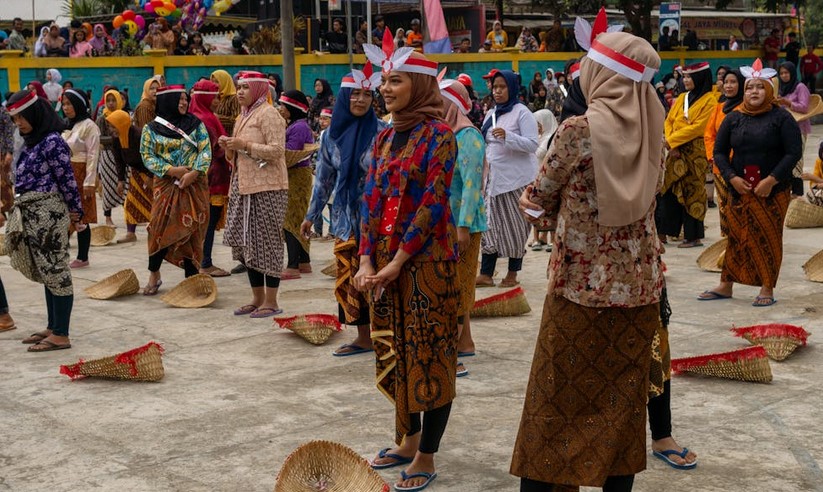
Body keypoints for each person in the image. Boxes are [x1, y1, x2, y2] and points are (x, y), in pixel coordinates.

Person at [511, 31, 665, 492]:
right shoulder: (655, 131)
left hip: (579, 290)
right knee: (621, 409)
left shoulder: (578, 130)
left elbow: (537, 200)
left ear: (601, 74)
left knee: (554, 405)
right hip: (640, 292)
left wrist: (544, 208)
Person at [355, 47, 458, 492]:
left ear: (419, 86)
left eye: (395, 80)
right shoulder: (382, 139)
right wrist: (366, 259)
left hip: (427, 264)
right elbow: (369, 201)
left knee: (430, 358)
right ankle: (408, 438)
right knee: (396, 353)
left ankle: (426, 454)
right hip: (383, 265)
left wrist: (399, 261)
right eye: (384, 81)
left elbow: (433, 202)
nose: (385, 88)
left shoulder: (441, 136)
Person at [699, 59, 802, 307]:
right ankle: (726, 284)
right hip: (739, 189)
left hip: (772, 191)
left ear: (769, 90)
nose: (753, 92)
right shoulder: (734, 118)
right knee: (736, 236)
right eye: (749, 88)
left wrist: (771, 180)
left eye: (759, 87)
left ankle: (767, 287)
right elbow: (720, 152)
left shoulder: (781, 118)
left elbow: (793, 152)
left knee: (768, 237)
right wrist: (732, 178)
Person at [301, 69, 387, 356]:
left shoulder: (383, 133)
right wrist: (311, 215)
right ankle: (363, 337)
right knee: (351, 277)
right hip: (344, 219)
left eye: (367, 94)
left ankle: (386, 335)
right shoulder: (330, 136)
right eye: (355, 94)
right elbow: (324, 179)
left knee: (379, 276)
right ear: (343, 97)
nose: (361, 100)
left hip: (377, 219)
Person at [7, 89, 83, 352]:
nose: (18, 123)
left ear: (34, 114)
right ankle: (53, 326)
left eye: (21, 117)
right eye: (15, 119)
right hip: (32, 214)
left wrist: (76, 211)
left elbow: (67, 179)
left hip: (49, 215)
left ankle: (61, 333)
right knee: (46, 270)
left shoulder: (52, 142)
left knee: (55, 269)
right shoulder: (33, 141)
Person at [221, 71, 288, 318]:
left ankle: (271, 300)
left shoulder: (269, 114)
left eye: (245, 87)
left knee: (268, 243)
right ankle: (257, 298)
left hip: (268, 188)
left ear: (259, 90)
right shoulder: (242, 116)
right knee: (249, 244)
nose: (240, 92)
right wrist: (229, 148)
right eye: (238, 87)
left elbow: (277, 150)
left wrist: (245, 145)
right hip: (243, 186)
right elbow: (238, 157)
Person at [139, 85, 211, 295]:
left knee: (193, 229)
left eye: (185, 99)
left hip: (194, 184)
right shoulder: (151, 129)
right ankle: (154, 273)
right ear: (167, 101)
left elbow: (205, 150)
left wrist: (194, 173)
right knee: (158, 228)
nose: (184, 103)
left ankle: (192, 277)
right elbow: (147, 155)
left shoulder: (195, 124)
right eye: (179, 99)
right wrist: (172, 171)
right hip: (166, 185)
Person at [440, 79, 488, 376]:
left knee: (457, 286)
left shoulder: (468, 136)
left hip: (463, 224)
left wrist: (463, 227)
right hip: (447, 222)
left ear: (453, 104)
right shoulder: (447, 134)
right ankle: (465, 341)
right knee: (460, 282)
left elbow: (472, 186)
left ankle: (454, 345)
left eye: (440, 102)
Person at [475, 70, 538, 288]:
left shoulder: (522, 113)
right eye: (495, 87)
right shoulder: (491, 113)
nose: (498, 91)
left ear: (511, 88)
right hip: (493, 180)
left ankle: (512, 273)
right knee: (490, 226)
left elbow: (532, 144)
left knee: (516, 227)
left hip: (516, 180)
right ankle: (486, 273)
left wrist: (509, 137)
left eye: (502, 87)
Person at [659, 62, 717, 248]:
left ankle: (693, 236)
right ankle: (664, 232)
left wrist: (672, 141)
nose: (685, 80)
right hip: (675, 151)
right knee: (667, 188)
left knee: (693, 192)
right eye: (684, 77)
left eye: (689, 77)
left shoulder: (710, 101)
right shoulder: (682, 98)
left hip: (695, 153)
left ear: (700, 78)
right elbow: (669, 120)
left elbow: (698, 127)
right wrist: (672, 143)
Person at [188, 79, 231, 278]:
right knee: (208, 223)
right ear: (205, 98)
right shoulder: (205, 119)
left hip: (202, 177)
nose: (217, 101)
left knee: (203, 223)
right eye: (215, 97)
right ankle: (205, 262)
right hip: (212, 178)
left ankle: (198, 261)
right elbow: (215, 150)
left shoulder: (195, 116)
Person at [60, 89, 100, 269]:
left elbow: (93, 155)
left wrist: (89, 182)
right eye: (64, 104)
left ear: (78, 104)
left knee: (81, 215)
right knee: (65, 214)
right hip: (66, 174)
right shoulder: (66, 125)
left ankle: (83, 257)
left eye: (69, 104)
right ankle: (61, 252)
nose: (65, 107)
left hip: (81, 173)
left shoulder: (89, 126)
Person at [704, 69, 746, 237]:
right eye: (726, 82)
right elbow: (709, 135)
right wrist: (714, 156)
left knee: (741, 206)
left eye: (733, 82)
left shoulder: (746, 108)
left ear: (742, 84)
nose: (728, 86)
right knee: (724, 206)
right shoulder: (719, 108)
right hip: (720, 167)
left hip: (741, 167)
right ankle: (727, 242)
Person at [278, 90, 315, 279]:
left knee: (290, 220)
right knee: (298, 218)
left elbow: (291, 151)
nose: (281, 109)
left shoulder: (299, 127)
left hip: (297, 176)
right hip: (297, 175)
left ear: (292, 108)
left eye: (283, 106)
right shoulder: (296, 125)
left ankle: (292, 266)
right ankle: (303, 262)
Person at [777, 61, 812, 197]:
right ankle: (787, 190)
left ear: (792, 73)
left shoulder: (800, 87)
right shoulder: (781, 88)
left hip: (798, 129)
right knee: (784, 159)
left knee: (797, 160)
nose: (784, 75)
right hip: (783, 129)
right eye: (781, 73)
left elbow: (804, 107)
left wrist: (787, 103)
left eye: (786, 72)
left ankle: (797, 193)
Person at [96, 88, 126, 227]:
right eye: (108, 100)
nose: (111, 103)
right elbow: (99, 138)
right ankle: (108, 218)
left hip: (122, 154)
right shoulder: (102, 118)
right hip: (108, 155)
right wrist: (115, 139)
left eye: (114, 100)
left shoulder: (123, 116)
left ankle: (128, 216)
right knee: (108, 187)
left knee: (124, 186)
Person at [210, 69, 241, 136]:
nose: (214, 84)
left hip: (229, 136)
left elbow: (237, 120)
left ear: (225, 82)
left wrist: (218, 118)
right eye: (212, 82)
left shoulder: (234, 98)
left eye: (217, 82)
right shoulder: (216, 97)